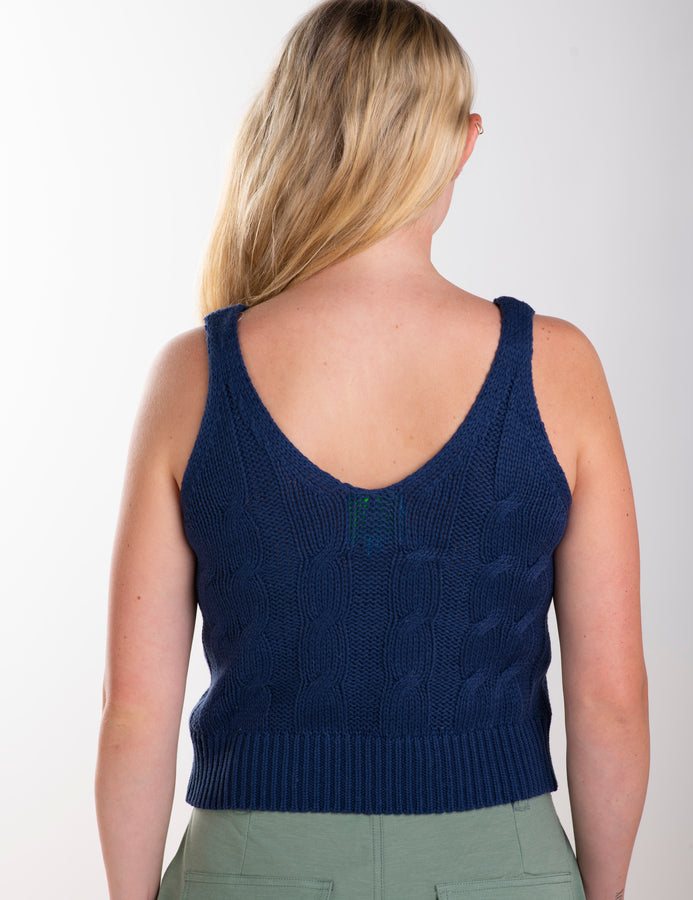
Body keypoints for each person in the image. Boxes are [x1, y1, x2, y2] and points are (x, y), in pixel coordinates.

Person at [95, 1, 650, 898]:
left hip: (249, 867)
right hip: (500, 867)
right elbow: (611, 702)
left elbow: (134, 711)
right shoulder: (558, 370)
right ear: (463, 144)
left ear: (287, 134)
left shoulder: (194, 375)